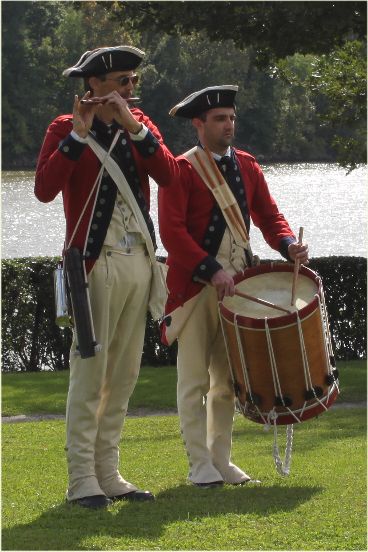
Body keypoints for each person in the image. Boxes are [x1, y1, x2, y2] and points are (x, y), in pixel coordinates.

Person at [35, 45, 178, 509]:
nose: (129, 90)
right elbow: (43, 189)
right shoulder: (65, 127)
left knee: (124, 373)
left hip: (139, 260)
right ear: (94, 84)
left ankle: (109, 471)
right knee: (90, 370)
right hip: (94, 267)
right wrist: (78, 135)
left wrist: (134, 127)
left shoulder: (142, 126)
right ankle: (81, 477)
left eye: (133, 82)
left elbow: (170, 175)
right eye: (122, 81)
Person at [158, 85, 309, 488]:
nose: (228, 125)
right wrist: (210, 268)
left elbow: (268, 215)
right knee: (194, 381)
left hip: (236, 285)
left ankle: (220, 460)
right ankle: (198, 466)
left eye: (231, 118)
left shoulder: (247, 165)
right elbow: (171, 234)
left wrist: (288, 244)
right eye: (220, 119)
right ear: (199, 124)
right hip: (195, 288)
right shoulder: (181, 170)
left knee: (227, 381)